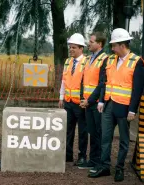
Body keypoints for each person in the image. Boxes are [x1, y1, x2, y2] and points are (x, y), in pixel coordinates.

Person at [88, 28, 144, 182]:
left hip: (125, 107)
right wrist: (100, 100)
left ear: (122, 45)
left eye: (114, 45)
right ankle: (104, 166)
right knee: (105, 138)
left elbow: (137, 89)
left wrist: (133, 109)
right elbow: (104, 83)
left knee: (124, 141)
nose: (112, 48)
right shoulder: (110, 60)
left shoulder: (136, 61)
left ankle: (119, 168)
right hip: (108, 104)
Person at [78, 32, 108, 169]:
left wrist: (89, 100)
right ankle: (93, 160)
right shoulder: (89, 58)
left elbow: (102, 84)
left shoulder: (105, 59)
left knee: (98, 133)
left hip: (96, 103)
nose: (88, 43)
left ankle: (99, 162)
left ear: (99, 44)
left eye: (91, 41)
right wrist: (83, 99)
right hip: (87, 102)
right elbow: (84, 80)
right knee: (92, 132)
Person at [58, 33, 88, 166]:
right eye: (70, 47)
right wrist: (61, 97)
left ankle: (82, 156)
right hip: (68, 102)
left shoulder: (86, 62)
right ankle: (68, 155)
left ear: (81, 48)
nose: (71, 49)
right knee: (68, 130)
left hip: (81, 103)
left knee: (82, 131)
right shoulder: (67, 62)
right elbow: (64, 81)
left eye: (74, 47)